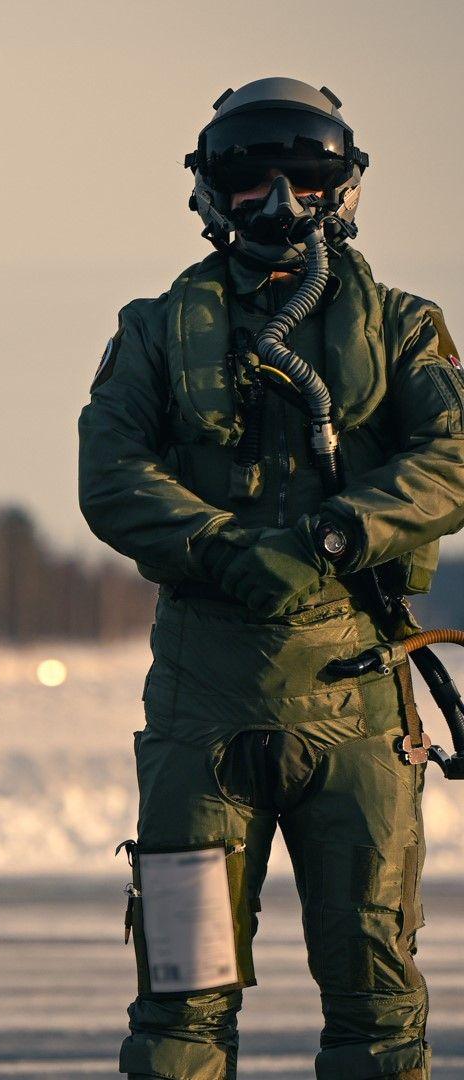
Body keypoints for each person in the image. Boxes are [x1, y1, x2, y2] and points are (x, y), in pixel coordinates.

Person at [79, 77, 464, 1080]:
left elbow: (455, 455)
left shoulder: (404, 330)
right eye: (249, 179)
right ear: (212, 192)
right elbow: (111, 476)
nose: (279, 201)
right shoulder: (159, 331)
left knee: (377, 1004)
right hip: (206, 709)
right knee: (180, 1002)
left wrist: (343, 533)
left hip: (355, 700)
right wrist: (220, 548)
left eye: (306, 177)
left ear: (343, 188)